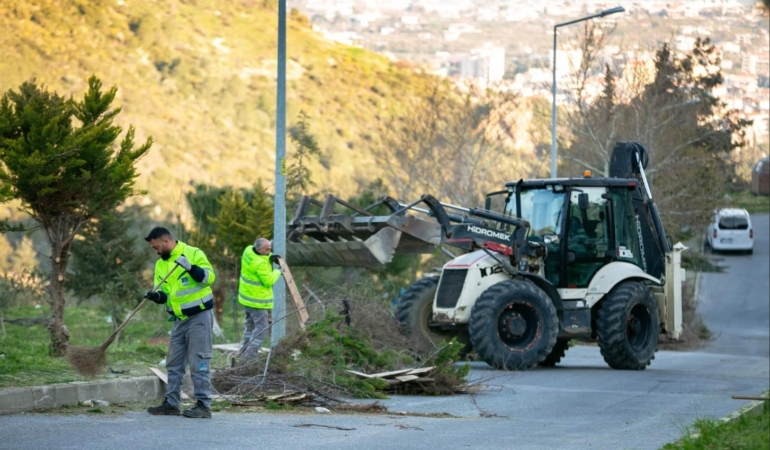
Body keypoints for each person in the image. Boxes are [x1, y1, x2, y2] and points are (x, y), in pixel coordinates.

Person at [143, 226, 216, 419]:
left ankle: (203, 405)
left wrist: (191, 268)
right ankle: (171, 404)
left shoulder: (193, 253)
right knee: (173, 363)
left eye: (156, 247)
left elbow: (209, 278)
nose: (156, 251)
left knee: (199, 361)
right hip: (179, 320)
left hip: (199, 317)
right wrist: (156, 296)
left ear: (166, 241)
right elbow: (166, 295)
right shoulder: (161, 264)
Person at [237, 237, 282, 362]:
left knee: (250, 326)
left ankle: (244, 351)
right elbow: (269, 280)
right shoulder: (260, 264)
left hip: (246, 298)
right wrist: (279, 271)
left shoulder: (248, 250)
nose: (269, 251)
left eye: (270, 249)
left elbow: (262, 257)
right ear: (259, 249)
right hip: (257, 301)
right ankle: (250, 355)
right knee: (262, 328)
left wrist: (271, 256)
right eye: (267, 250)